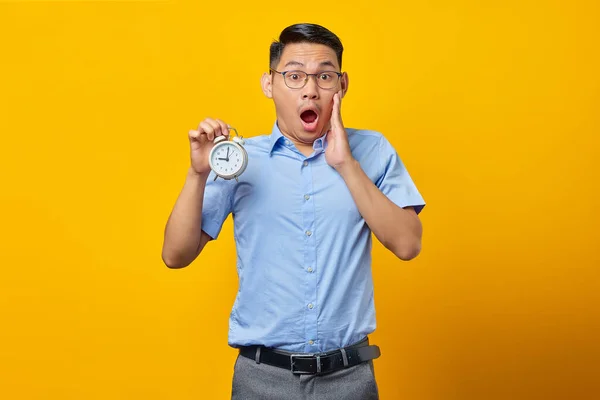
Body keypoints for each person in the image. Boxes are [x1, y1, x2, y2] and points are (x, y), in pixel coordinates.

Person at [162, 23, 426, 400]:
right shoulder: (237, 160)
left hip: (349, 378)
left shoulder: (373, 150)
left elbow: (407, 244)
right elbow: (175, 254)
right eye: (294, 76)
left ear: (343, 84)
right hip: (262, 378)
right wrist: (197, 174)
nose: (310, 89)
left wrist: (345, 163)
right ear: (269, 84)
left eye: (324, 76)